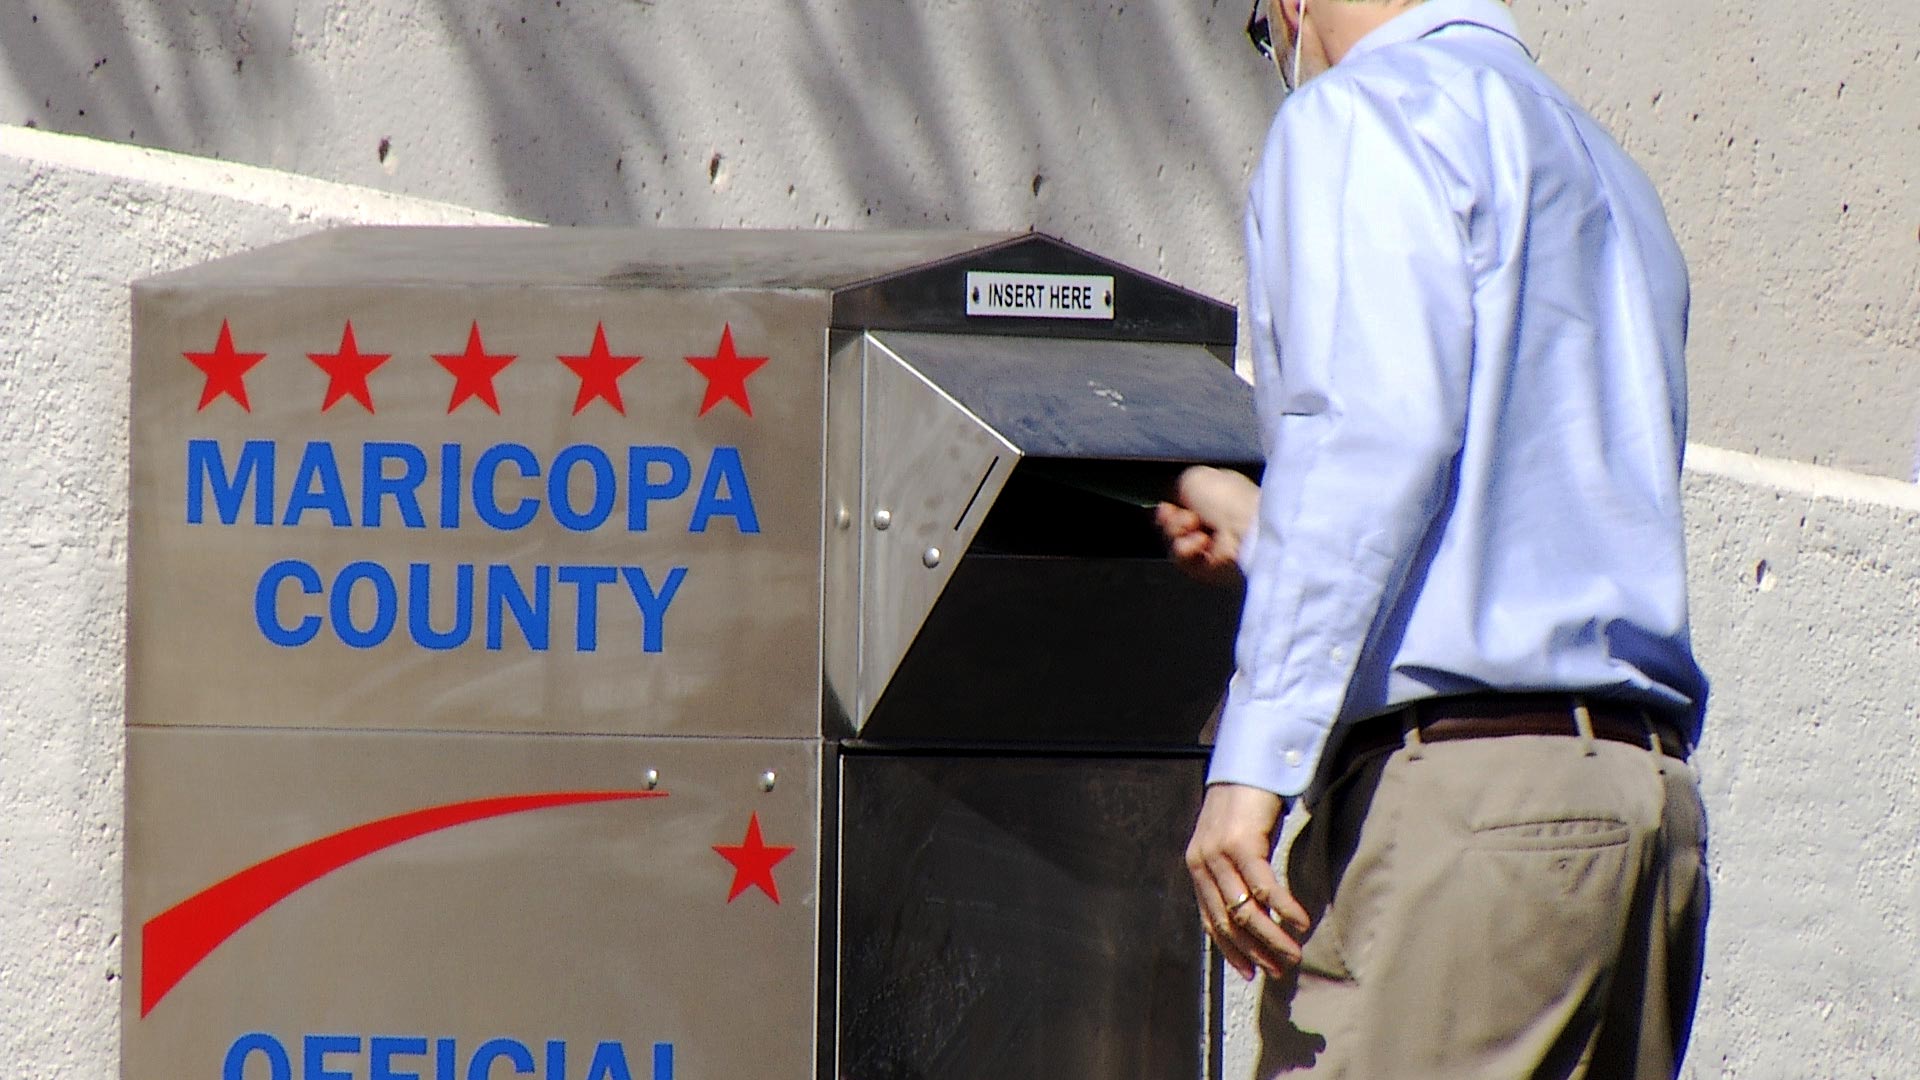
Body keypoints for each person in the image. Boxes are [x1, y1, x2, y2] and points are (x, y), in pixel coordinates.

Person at [1157, 0, 1711, 1076]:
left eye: (1262, 34)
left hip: (1467, 818)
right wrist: (1275, 539)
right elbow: (1519, 519)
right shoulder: (1604, 169)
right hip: (1645, 815)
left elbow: (1374, 431)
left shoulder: (1366, 112)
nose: (1282, 56)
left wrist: (1250, 771)